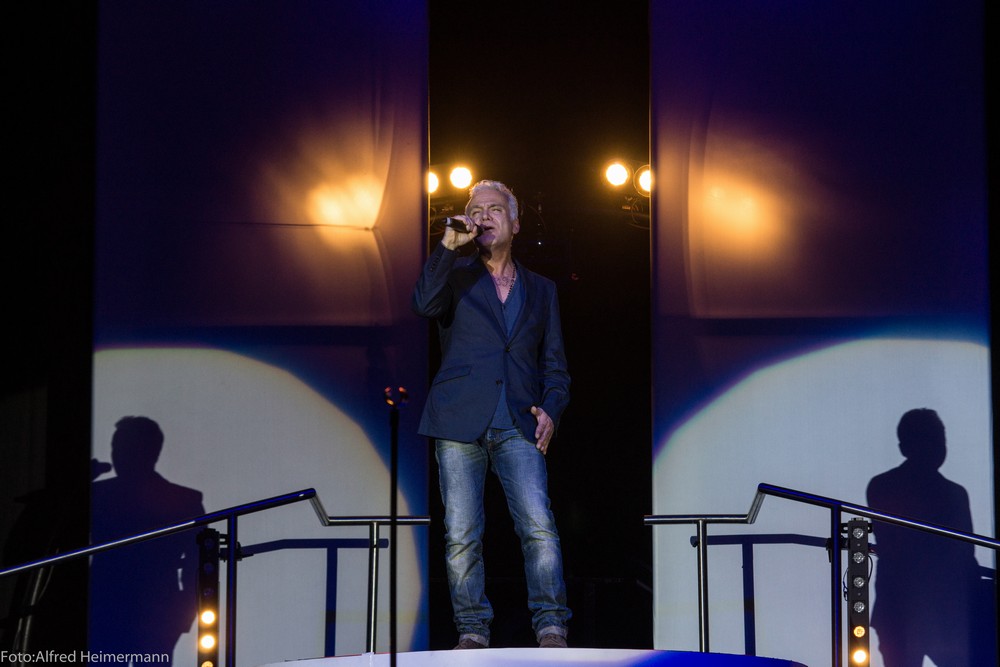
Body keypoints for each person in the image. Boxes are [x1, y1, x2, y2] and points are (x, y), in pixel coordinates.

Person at [412, 179, 572, 649]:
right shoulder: (455, 274)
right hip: (458, 421)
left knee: (538, 527)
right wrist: (447, 245)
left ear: (515, 223)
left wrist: (552, 411)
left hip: (519, 422)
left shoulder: (542, 289)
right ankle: (472, 629)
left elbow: (556, 366)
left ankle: (551, 625)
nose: (483, 216)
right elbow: (423, 304)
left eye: (494, 209)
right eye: (476, 209)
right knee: (462, 534)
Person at [866, 408, 995, 667]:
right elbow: (960, 554)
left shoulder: (885, 485)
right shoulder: (889, 486)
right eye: (931, 439)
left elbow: (963, 553)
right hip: (918, 609)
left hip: (926, 609)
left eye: (939, 439)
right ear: (906, 446)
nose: (938, 447)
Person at [90, 416, 206, 663]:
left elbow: (197, 560)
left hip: (153, 614)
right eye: (115, 447)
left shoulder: (183, 500)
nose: (117, 455)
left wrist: (184, 612)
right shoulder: (97, 494)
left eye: (124, 448)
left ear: (150, 452)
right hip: (106, 610)